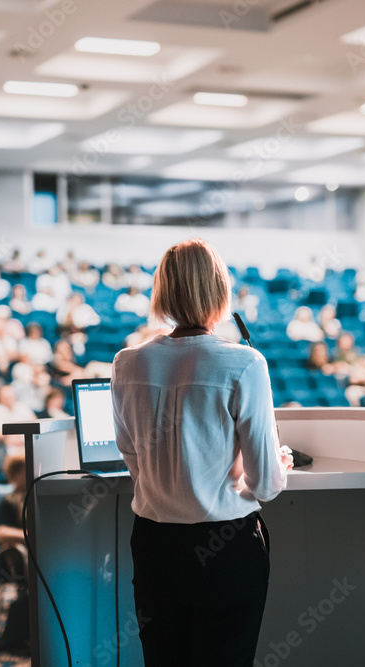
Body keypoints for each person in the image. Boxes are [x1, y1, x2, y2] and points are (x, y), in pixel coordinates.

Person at [111, 239, 291, 667]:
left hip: (155, 545)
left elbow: (132, 456)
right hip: (226, 547)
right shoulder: (245, 363)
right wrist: (280, 463)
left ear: (164, 292)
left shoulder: (127, 363)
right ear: (219, 291)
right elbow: (265, 484)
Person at [0, 455, 30, 655]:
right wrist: (30, 536)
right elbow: (1, 533)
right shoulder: (6, 501)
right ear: (15, 474)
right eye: (26, 470)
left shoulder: (37, 495)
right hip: (16, 561)